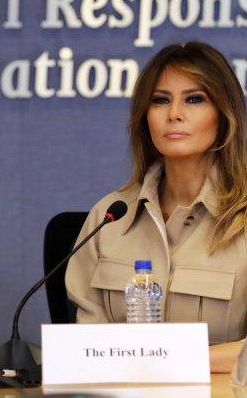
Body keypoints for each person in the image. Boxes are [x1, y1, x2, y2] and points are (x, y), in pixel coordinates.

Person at [65, 41, 247, 373]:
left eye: (194, 99)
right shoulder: (108, 216)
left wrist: (168, 361)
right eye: (160, 100)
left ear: (225, 115)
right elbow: (86, 347)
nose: (174, 113)